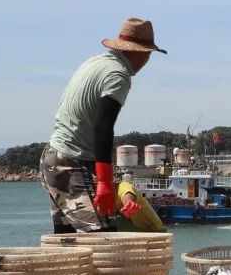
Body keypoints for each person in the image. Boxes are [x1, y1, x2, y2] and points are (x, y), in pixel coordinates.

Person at [40, 18, 166, 233]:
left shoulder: (95, 62)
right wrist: (105, 184)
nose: (147, 60)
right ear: (140, 52)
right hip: (72, 161)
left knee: (68, 243)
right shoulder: (118, 75)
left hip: (53, 157)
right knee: (104, 240)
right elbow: (103, 128)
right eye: (148, 54)